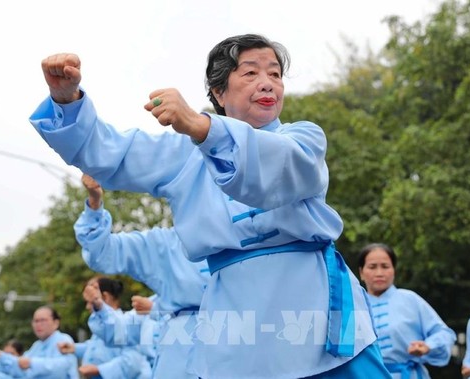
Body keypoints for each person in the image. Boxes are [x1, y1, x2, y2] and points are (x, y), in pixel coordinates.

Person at [30, 33, 391, 378]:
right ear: (219, 91)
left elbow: (276, 169)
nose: (267, 83)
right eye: (251, 73)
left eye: (275, 74)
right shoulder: (184, 154)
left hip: (315, 305)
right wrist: (67, 100)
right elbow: (112, 155)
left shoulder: (303, 138)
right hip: (232, 319)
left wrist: (202, 127)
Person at [75, 173, 209, 378]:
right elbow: (102, 252)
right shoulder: (168, 246)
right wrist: (94, 203)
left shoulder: (249, 245)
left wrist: (156, 309)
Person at [358, 243, 457, 378]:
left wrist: (428, 345)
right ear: (361, 273)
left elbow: (445, 333)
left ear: (394, 270)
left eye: (385, 266)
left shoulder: (410, 299)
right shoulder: (355, 306)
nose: (379, 273)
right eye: (372, 267)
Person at [58, 276, 151, 379]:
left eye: (90, 302)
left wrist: (99, 370)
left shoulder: (128, 326)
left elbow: (133, 360)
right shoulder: (104, 325)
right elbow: (98, 349)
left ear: (105, 297)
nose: (88, 307)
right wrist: (75, 348)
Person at [0, 306, 79, 378]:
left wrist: (32, 363)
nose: (38, 324)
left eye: (43, 320)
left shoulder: (63, 340)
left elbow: (62, 368)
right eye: (36, 321)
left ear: (56, 323)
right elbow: (20, 370)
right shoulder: (36, 346)